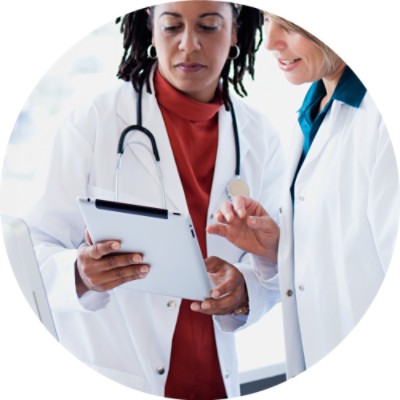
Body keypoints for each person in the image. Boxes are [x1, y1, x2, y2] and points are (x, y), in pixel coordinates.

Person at [25, 2, 284, 398]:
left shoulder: (259, 136)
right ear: (150, 28)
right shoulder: (94, 121)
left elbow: (275, 265)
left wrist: (243, 290)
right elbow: (31, 251)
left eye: (210, 27)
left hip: (213, 381)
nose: (189, 45)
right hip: (117, 374)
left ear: (235, 32)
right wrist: (79, 273)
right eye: (171, 26)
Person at [207, 11, 400, 379]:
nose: (272, 42)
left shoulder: (381, 119)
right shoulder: (315, 108)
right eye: (268, 21)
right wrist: (279, 248)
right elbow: (344, 254)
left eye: (293, 26)